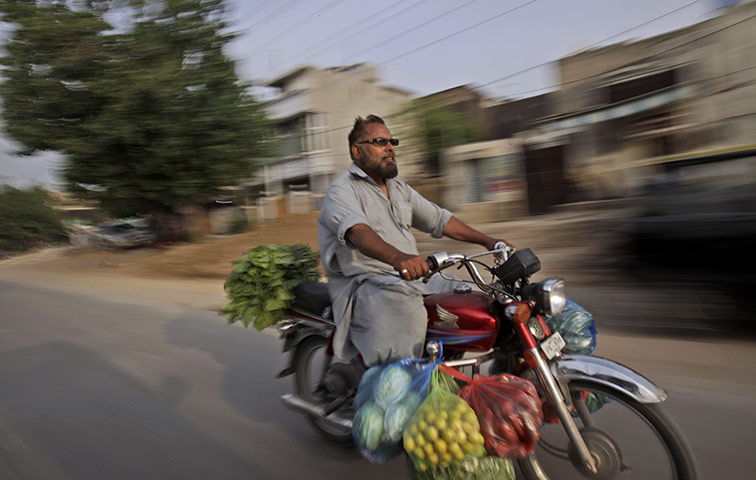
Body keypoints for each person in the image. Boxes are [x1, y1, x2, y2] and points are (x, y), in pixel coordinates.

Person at [317, 114, 513, 367]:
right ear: (357, 151)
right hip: (366, 283)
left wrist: (487, 241)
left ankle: (447, 364)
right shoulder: (341, 190)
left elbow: (440, 220)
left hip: (411, 277)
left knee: (468, 299)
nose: (390, 148)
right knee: (408, 312)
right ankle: (398, 387)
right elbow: (357, 231)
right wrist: (398, 258)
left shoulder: (399, 189)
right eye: (379, 141)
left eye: (392, 141)